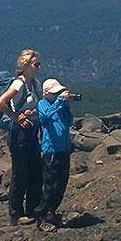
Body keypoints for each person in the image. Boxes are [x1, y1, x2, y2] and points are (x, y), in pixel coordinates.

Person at [0, 49, 43, 225]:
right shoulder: (19, 84)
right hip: (20, 133)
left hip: (32, 130)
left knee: (35, 171)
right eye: (36, 64)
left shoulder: (35, 84)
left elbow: (41, 104)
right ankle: (16, 214)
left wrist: (32, 112)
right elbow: (0, 102)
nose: (39, 67)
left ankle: (33, 210)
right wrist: (15, 116)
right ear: (26, 65)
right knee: (20, 173)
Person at [34, 78, 75, 232]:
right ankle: (41, 216)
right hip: (51, 150)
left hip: (64, 149)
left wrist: (66, 106)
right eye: (54, 93)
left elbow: (69, 121)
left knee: (61, 183)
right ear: (46, 93)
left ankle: (51, 212)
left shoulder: (61, 105)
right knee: (50, 185)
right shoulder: (42, 104)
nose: (58, 95)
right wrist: (59, 102)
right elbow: (44, 118)